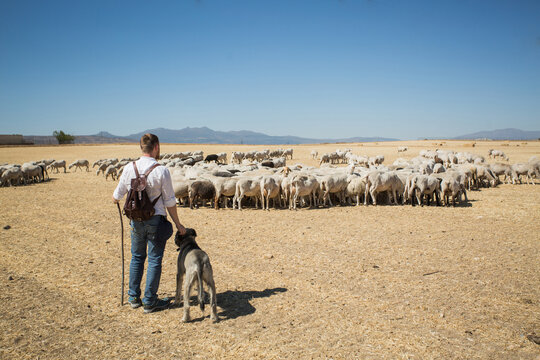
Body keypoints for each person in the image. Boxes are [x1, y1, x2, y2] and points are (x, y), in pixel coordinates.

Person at [112, 133, 186, 313]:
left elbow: (116, 196)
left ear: (141, 147)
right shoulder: (161, 170)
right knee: (154, 259)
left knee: (136, 257)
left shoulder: (129, 167)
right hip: (156, 220)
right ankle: (150, 301)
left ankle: (133, 297)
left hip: (135, 220)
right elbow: (169, 202)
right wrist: (178, 224)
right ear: (156, 147)